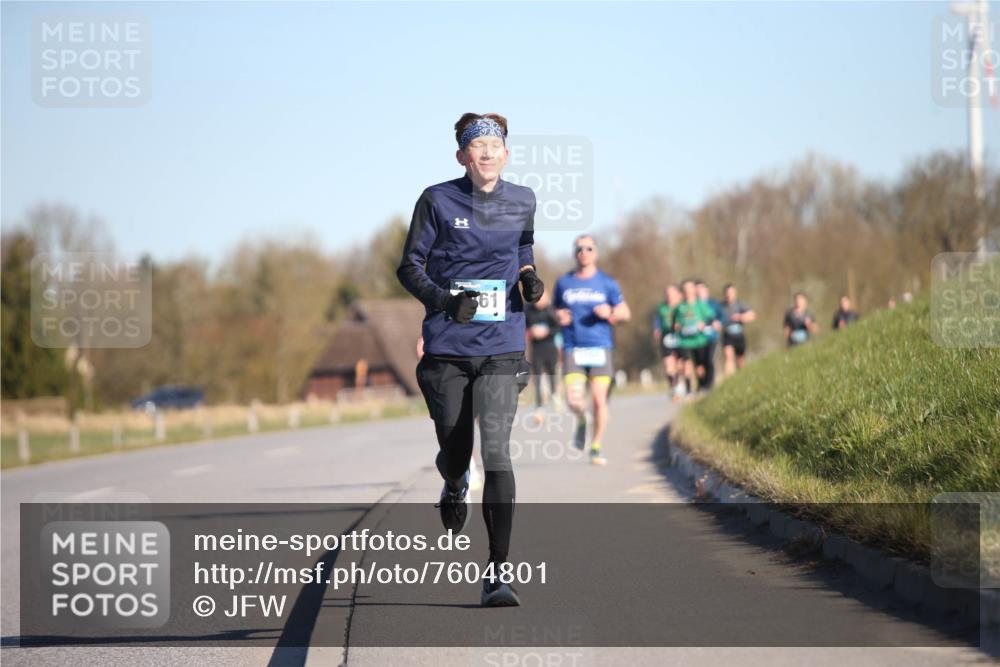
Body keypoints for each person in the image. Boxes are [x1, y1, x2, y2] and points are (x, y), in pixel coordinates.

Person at [397, 112, 543, 607]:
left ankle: (498, 573)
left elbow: (523, 245)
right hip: (447, 349)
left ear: (506, 154)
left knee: (497, 452)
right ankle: (454, 481)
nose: (485, 152)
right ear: (462, 156)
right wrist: (443, 301)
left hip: (502, 346)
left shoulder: (522, 199)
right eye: (475, 146)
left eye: (493, 145)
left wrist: (528, 275)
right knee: (457, 451)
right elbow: (408, 266)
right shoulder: (437, 199)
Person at [553, 234, 631, 465]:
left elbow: (626, 313)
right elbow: (552, 309)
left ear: (595, 253)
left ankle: (595, 446)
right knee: (574, 401)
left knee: (599, 400)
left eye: (588, 248)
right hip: (573, 347)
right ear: (574, 253)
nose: (583, 253)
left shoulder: (607, 283)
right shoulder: (564, 282)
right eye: (579, 249)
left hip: (600, 348)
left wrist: (611, 313)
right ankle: (582, 419)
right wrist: (557, 315)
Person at [673, 279, 715, 397]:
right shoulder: (680, 307)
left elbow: (710, 317)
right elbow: (674, 322)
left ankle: (702, 386)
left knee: (699, 367)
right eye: (685, 289)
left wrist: (704, 324)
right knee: (686, 363)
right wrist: (676, 326)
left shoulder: (700, 305)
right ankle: (688, 388)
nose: (687, 291)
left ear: (693, 290)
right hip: (684, 341)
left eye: (689, 288)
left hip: (699, 340)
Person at [525, 288, 561, 418]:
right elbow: (523, 326)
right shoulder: (528, 309)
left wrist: (546, 332)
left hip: (550, 346)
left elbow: (558, 328)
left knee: (552, 372)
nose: (539, 301)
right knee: (538, 376)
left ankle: (554, 396)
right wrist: (531, 332)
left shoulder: (551, 310)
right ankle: (539, 405)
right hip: (536, 348)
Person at [653, 284, 684, 399]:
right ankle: (673, 386)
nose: (669, 297)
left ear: (677, 295)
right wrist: (656, 329)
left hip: (681, 338)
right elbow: (657, 320)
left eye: (671, 294)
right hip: (666, 338)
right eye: (667, 294)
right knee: (668, 365)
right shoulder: (662, 308)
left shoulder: (682, 306)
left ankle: (680, 382)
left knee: (680, 364)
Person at [720, 283, 756, 376]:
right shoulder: (721, 306)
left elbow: (752, 315)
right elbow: (715, 318)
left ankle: (741, 375)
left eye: (731, 292)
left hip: (739, 335)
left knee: (740, 359)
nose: (729, 295)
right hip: (727, 335)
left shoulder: (740, 304)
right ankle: (729, 378)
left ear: (735, 293)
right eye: (727, 293)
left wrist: (740, 317)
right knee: (728, 356)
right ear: (724, 294)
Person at [695, 281, 723, 390]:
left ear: (706, 290)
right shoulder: (693, 304)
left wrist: (718, 322)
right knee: (699, 363)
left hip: (712, 337)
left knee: (709, 359)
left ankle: (710, 384)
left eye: (700, 289)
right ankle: (701, 384)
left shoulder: (714, 304)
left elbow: (721, 316)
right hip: (697, 339)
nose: (698, 291)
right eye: (696, 289)